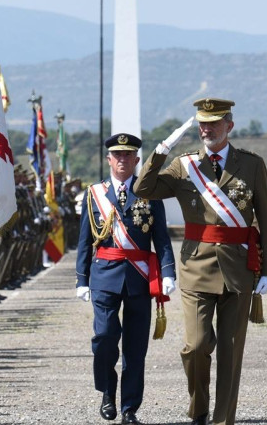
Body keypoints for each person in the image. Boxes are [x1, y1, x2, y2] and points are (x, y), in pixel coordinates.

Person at [133, 98, 267, 425]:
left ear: (229, 125)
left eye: (213, 123)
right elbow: (144, 188)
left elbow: (266, 220)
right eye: (201, 123)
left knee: (230, 352)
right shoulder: (184, 165)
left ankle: (223, 419)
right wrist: (160, 152)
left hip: (239, 268)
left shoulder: (251, 165)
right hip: (196, 267)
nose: (206, 129)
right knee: (196, 346)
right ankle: (199, 406)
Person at [76, 133, 175, 425]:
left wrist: (168, 272)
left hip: (139, 278)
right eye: (117, 155)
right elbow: (84, 239)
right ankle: (107, 390)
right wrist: (81, 278)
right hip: (104, 276)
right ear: (109, 159)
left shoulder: (149, 193)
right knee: (104, 338)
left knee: (135, 348)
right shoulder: (94, 193)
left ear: (136, 160)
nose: (122, 160)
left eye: (127, 155)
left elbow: (162, 238)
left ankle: (129, 407)